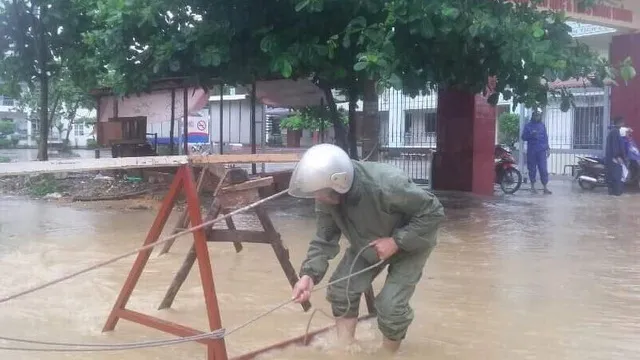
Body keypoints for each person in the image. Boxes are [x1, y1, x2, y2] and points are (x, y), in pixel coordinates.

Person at [288, 143, 445, 354]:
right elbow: (325, 238)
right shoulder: (327, 195)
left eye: (321, 193)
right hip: (368, 242)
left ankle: (387, 354)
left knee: (390, 307)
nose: (318, 198)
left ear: (339, 183)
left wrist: (396, 241)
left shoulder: (388, 184)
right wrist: (308, 275)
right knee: (340, 290)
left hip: (412, 243)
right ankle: (345, 348)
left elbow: (433, 212)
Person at [521, 108, 552, 194]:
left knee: (543, 169)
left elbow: (545, 138)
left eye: (538, 115)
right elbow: (523, 137)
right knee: (532, 169)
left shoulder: (542, 125)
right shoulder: (528, 126)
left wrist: (548, 148)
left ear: (540, 116)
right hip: (532, 151)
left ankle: (545, 187)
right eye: (535, 115)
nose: (537, 117)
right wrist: (531, 134)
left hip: (541, 151)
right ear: (533, 116)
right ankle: (532, 187)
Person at [605, 116, 626, 196]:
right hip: (614, 158)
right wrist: (617, 157)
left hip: (613, 158)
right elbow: (615, 146)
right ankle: (615, 193)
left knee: (614, 175)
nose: (623, 124)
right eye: (622, 122)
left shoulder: (615, 131)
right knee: (616, 175)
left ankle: (613, 193)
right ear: (619, 123)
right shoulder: (615, 132)